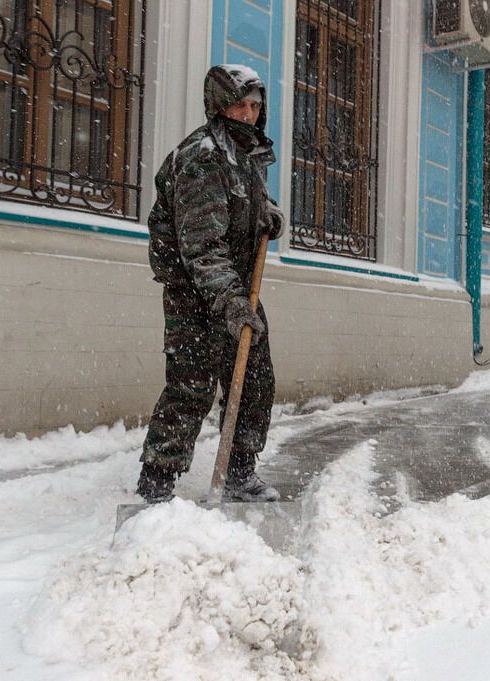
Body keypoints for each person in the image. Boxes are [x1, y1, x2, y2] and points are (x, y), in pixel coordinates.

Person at [136, 65, 285, 504]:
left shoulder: (244, 155)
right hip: (196, 291)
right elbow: (201, 244)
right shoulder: (203, 156)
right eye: (241, 103)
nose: (250, 113)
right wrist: (229, 299)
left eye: (256, 105)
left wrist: (265, 212)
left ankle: (240, 472)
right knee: (191, 384)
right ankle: (157, 483)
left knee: (255, 379)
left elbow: (238, 206)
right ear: (219, 106)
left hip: (235, 290)